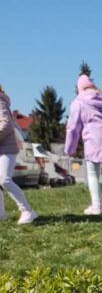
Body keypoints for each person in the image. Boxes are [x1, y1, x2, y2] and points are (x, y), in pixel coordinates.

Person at [64, 74, 102, 215]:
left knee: (92, 173)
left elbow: (73, 127)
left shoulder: (78, 102)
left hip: (93, 139)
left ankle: (96, 206)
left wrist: (70, 148)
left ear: (79, 88)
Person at [0, 84, 37, 225]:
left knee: (4, 180)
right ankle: (1, 214)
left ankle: (27, 211)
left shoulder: (0, 100)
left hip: (6, 148)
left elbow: (6, 124)